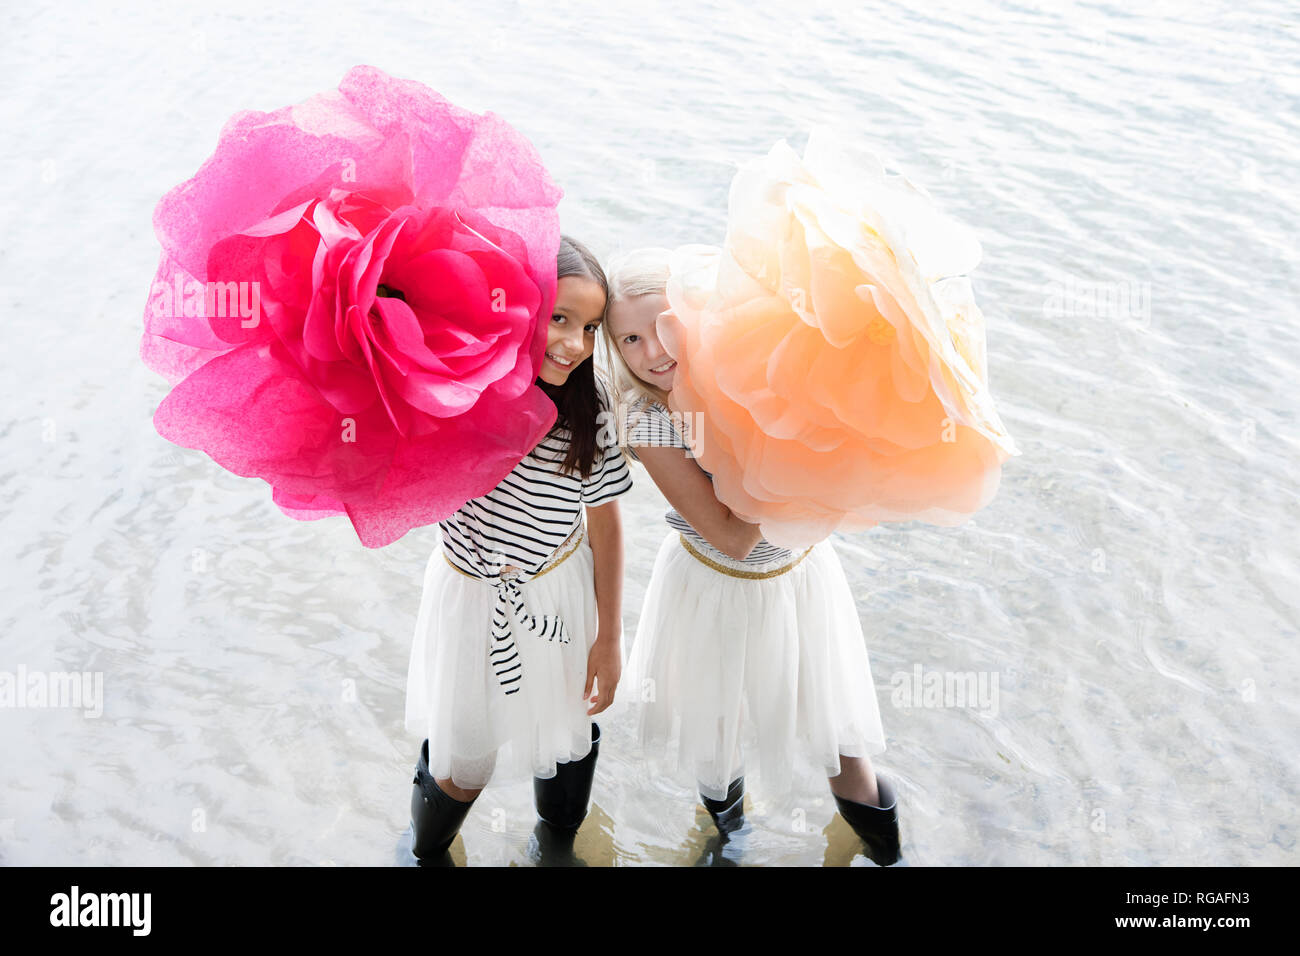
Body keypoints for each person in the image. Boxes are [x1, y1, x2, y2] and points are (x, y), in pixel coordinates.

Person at [601, 247, 900, 865]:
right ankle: (728, 845)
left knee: (840, 740)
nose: (653, 353)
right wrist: (783, 451)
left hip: (799, 578)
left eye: (664, 328)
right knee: (717, 736)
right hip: (714, 586)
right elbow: (731, 536)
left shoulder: (752, 383)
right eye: (629, 339)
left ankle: (888, 854)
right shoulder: (647, 421)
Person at [404, 236, 632, 863]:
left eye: (590, 327)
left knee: (566, 738)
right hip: (471, 594)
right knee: (465, 758)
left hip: (559, 589)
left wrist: (609, 636)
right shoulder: (461, 392)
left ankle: (556, 846)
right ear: (519, 309)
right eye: (559, 318)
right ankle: (424, 847)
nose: (575, 343)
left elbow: (607, 524)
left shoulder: (593, 403)